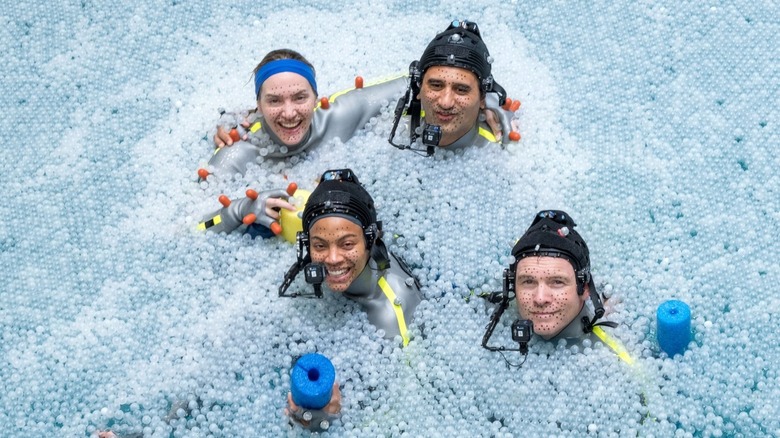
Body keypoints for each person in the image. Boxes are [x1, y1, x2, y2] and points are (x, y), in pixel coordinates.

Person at [279, 168, 423, 346]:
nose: (332, 259)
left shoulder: (389, 319)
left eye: (347, 244)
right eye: (320, 245)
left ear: (371, 239)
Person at [482, 210, 631, 363]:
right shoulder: (492, 309)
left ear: (585, 288)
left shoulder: (611, 357)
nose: (540, 299)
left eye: (557, 282)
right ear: (513, 286)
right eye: (528, 281)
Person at [388, 19, 521, 155]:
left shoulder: (494, 151)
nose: (445, 103)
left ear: (482, 97)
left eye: (461, 90)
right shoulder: (393, 123)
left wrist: (500, 108)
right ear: (419, 87)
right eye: (436, 85)